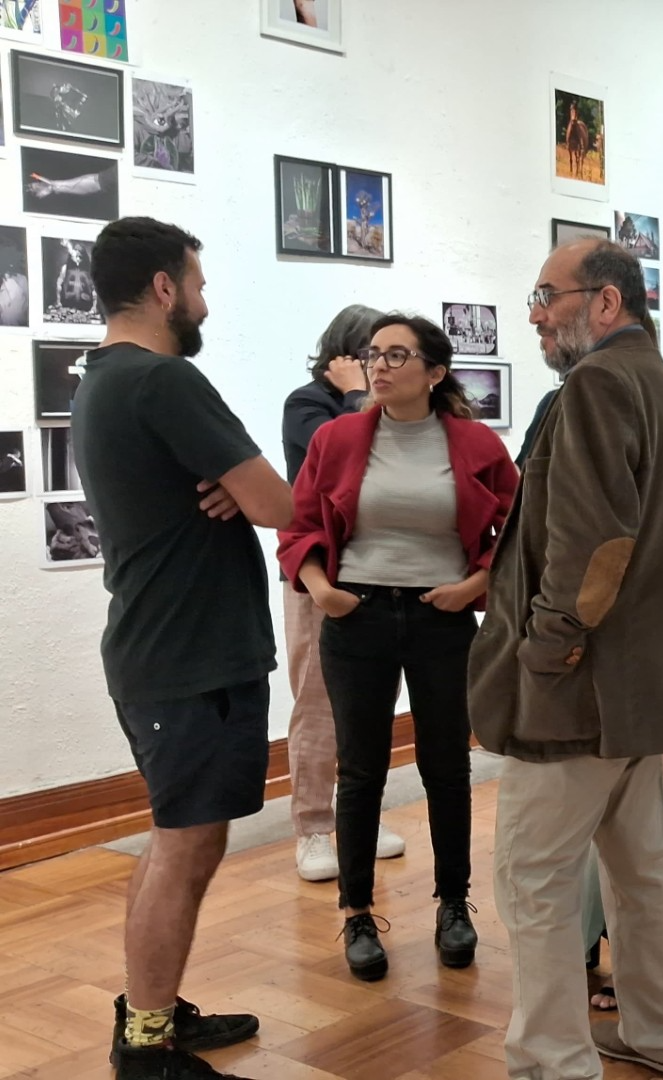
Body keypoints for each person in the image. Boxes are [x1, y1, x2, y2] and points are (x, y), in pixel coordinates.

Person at [471, 239, 663, 1079]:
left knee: (532, 877)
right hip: (647, 685)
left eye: (548, 296)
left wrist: (543, 652)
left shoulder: (598, 383)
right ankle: (661, 1033)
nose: (536, 315)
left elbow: (594, 546)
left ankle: (553, 1062)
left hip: (585, 687)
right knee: (641, 870)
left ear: (606, 302)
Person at [75, 217, 290, 1079]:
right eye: (197, 285)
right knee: (186, 846)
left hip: (163, 649)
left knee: (175, 839)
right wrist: (248, 492)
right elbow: (277, 502)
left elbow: (243, 495)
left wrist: (236, 490)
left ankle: (149, 1009)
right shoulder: (163, 380)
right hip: (189, 655)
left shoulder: (103, 378)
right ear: (164, 288)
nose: (204, 302)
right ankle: (148, 1046)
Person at [277, 314, 516, 981]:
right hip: (358, 615)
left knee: (447, 767)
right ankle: (357, 912)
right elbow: (299, 525)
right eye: (373, 354)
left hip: (441, 617)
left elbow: (518, 527)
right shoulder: (336, 437)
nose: (378, 366)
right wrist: (322, 590)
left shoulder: (474, 443)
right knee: (361, 770)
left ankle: (453, 904)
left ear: (434, 372)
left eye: (396, 355)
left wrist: (475, 584)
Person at [280, 303, 410, 883]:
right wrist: (359, 395)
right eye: (373, 353)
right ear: (345, 355)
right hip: (320, 576)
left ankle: (361, 817)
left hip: (382, 573)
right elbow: (342, 458)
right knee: (317, 704)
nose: (383, 365)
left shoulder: (392, 410)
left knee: (372, 704)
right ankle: (312, 827)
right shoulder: (306, 404)